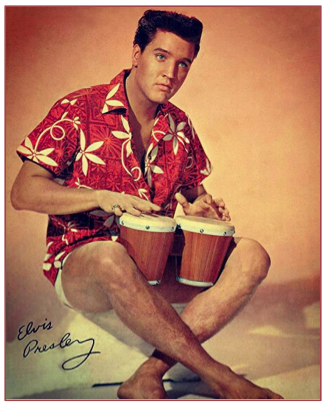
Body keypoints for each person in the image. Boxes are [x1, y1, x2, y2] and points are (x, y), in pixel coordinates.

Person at [11, 9, 283, 400]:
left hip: (153, 260)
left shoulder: (179, 125)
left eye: (183, 63)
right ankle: (222, 377)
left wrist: (201, 208)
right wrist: (100, 197)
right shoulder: (78, 109)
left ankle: (148, 373)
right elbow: (23, 193)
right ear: (136, 53)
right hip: (83, 263)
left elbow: (193, 192)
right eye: (161, 56)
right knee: (110, 257)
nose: (171, 73)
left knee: (253, 255)